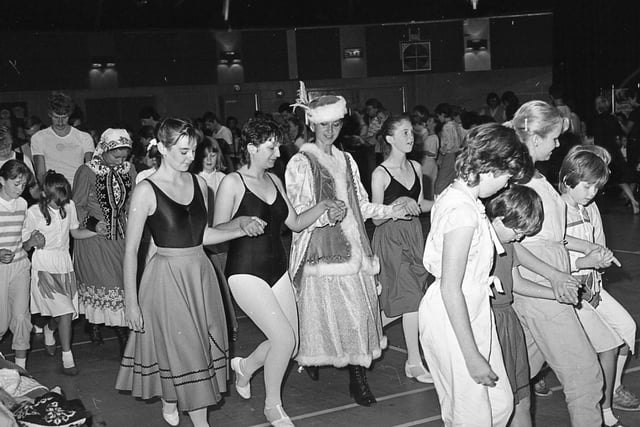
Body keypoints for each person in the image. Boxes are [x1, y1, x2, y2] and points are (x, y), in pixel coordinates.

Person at [115, 118, 260, 427]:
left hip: (200, 275)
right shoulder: (145, 190)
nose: (191, 157)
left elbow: (202, 235)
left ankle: (172, 397)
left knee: (197, 347)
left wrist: (239, 227)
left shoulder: (199, 184)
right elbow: (131, 251)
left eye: (193, 150)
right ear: (163, 149)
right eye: (183, 151)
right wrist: (131, 302)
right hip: (166, 279)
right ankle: (199, 421)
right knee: (187, 348)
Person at [215, 117, 343, 426]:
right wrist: (240, 224)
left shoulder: (273, 180)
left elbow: (295, 222)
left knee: (291, 343)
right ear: (251, 148)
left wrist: (324, 204)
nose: (276, 153)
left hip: (276, 269)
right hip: (244, 272)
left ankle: (245, 367)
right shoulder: (232, 182)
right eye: (271, 147)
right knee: (283, 339)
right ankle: (273, 405)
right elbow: (214, 231)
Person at [286, 90, 409, 406]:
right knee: (324, 316)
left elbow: (362, 205)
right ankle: (317, 359)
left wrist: (391, 210)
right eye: (324, 125)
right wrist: (326, 213)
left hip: (356, 249)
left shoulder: (347, 159)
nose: (330, 131)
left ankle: (357, 378)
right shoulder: (301, 162)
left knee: (355, 315)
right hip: (323, 252)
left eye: (336, 124)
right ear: (312, 125)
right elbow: (298, 214)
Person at [418, 123, 533, 426]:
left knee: (500, 403)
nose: (507, 185)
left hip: (473, 307)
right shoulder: (462, 213)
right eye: (508, 176)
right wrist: (471, 355)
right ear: (489, 167)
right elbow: (450, 288)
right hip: (454, 315)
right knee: (472, 416)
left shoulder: (465, 200)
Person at [506, 100, 605, 426]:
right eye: (553, 137)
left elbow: (552, 236)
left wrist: (586, 246)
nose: (558, 143)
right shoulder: (518, 182)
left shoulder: (531, 175)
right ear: (535, 138)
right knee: (585, 376)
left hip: (546, 282)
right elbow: (511, 246)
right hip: (543, 286)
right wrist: (556, 277)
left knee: (521, 374)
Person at [558, 146, 639, 425]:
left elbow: (594, 245)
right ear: (570, 177)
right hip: (569, 290)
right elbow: (552, 258)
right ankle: (603, 408)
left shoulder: (586, 207)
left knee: (625, 330)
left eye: (597, 186)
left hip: (590, 288)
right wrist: (587, 261)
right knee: (607, 344)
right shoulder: (556, 210)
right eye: (589, 185)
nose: (593, 192)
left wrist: (599, 259)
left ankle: (612, 390)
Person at [370, 114, 434, 384]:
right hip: (390, 237)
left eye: (411, 133)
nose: (411, 137)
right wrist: (397, 208)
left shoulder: (418, 168)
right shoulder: (380, 173)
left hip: (413, 235)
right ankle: (414, 362)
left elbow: (422, 205)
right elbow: (375, 217)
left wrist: (446, 201)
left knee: (400, 304)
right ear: (389, 138)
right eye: (405, 133)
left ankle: (364, 333)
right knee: (411, 299)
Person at [485, 185, 554, 427]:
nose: (520, 237)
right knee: (495, 404)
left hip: (508, 320)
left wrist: (555, 292)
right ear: (500, 219)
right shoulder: (479, 243)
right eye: (517, 230)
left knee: (522, 401)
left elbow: (516, 283)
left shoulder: (508, 242)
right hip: (488, 323)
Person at [23, 171, 97, 376]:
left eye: (63, 200)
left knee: (64, 313)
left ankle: (49, 329)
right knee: (65, 312)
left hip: (65, 264)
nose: (60, 204)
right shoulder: (33, 212)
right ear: (45, 194)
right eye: (56, 200)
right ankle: (68, 358)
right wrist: (31, 243)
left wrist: (97, 231)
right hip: (44, 265)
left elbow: (75, 233)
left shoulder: (69, 206)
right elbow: (24, 245)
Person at [72, 129, 136, 352]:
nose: (121, 161)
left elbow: (132, 201)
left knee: (122, 284)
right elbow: (77, 205)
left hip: (122, 237)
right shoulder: (87, 171)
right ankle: (125, 344)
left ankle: (95, 325)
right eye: (116, 156)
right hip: (95, 240)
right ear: (104, 150)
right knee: (112, 285)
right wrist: (92, 224)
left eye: (124, 156)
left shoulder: (129, 169)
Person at [0, 160, 43, 369]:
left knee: (21, 318)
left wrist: (32, 242)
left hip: (20, 266)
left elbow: (22, 240)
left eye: (23, 185)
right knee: (1, 321)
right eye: (15, 184)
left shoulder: (22, 205)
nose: (20, 189)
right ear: (1, 180)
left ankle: (21, 368)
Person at [31, 92, 94, 187]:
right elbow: (41, 175)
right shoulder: (38, 138)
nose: (60, 122)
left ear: (70, 115)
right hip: (53, 191)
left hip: (79, 191)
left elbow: (91, 170)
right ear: (49, 114)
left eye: (64, 117)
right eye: (56, 117)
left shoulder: (84, 137)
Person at [433, 103, 464, 195]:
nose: (438, 118)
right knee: (452, 180)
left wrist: (442, 151)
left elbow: (448, 145)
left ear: (443, 114)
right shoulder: (457, 125)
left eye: (438, 115)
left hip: (449, 155)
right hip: (458, 155)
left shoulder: (446, 127)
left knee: (441, 183)